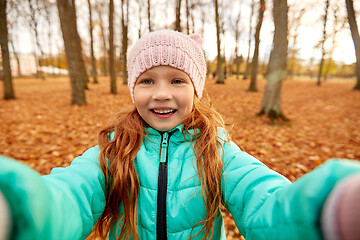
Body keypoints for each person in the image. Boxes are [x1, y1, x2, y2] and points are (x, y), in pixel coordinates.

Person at [0, 30, 359, 240]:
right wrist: (20, 209)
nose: (161, 93)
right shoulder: (113, 151)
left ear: (196, 88)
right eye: (147, 81)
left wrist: (325, 209)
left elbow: (262, 197)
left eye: (177, 80)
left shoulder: (217, 150)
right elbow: (69, 194)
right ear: (132, 88)